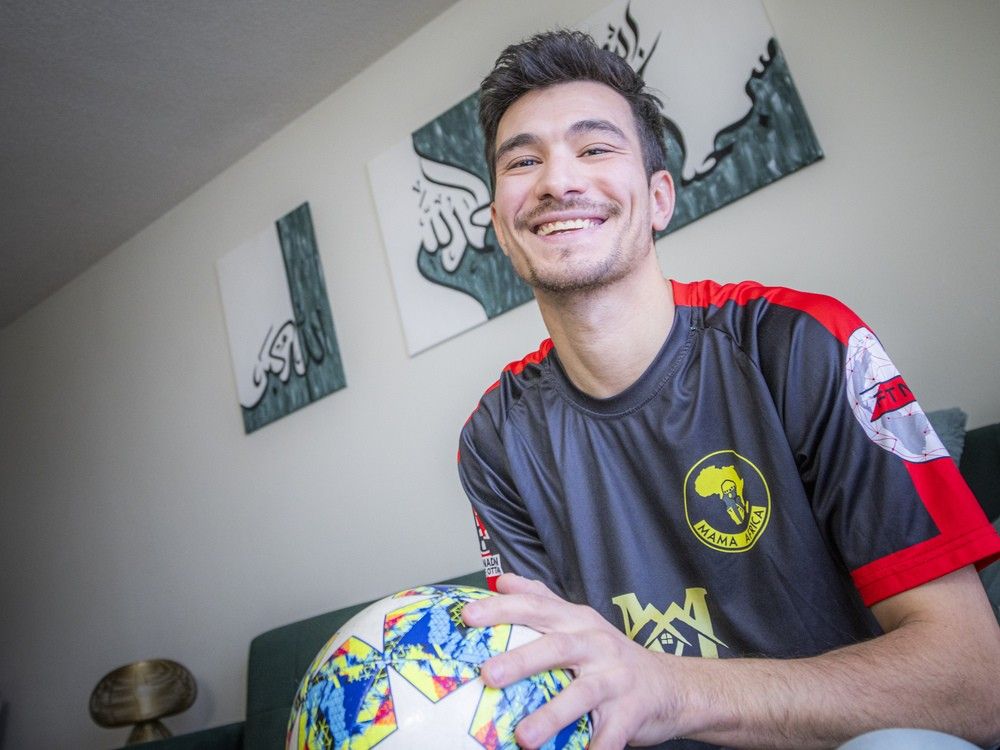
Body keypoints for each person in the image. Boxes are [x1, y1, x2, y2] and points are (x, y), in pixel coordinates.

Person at [456, 30, 1000, 750]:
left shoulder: (801, 343)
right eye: (523, 161)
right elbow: (548, 690)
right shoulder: (496, 440)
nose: (558, 181)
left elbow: (976, 683)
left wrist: (672, 690)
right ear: (500, 224)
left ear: (658, 199)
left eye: (594, 148)